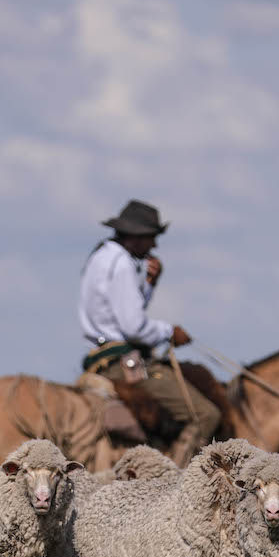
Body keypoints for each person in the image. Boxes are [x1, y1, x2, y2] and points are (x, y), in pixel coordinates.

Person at [78, 199, 221, 466]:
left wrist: (149, 285)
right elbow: (134, 327)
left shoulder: (101, 256)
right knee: (206, 414)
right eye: (151, 238)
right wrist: (170, 332)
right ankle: (175, 488)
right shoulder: (121, 264)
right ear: (136, 236)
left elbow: (122, 313)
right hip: (123, 361)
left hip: (100, 356)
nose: (154, 246)